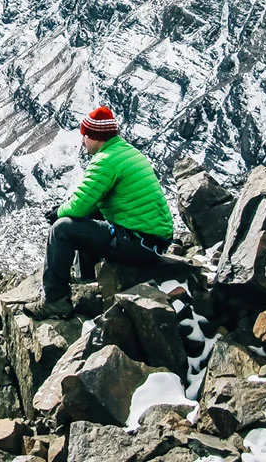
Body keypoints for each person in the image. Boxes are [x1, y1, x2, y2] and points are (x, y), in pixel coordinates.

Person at [23, 106, 173, 320]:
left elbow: (79, 206)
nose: (82, 139)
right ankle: (88, 284)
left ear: (96, 136)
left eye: (85, 134)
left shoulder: (106, 160)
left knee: (62, 229)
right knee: (88, 219)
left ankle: (55, 301)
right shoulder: (126, 151)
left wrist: (58, 212)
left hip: (137, 243)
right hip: (151, 241)